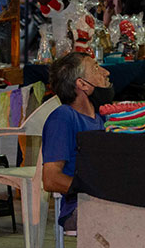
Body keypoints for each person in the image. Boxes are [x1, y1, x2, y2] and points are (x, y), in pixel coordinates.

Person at [41, 52, 112, 231]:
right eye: (96, 68)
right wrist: (95, 191)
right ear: (82, 84)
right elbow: (50, 179)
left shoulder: (103, 118)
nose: (105, 73)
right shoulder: (63, 117)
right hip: (80, 207)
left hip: (104, 200)